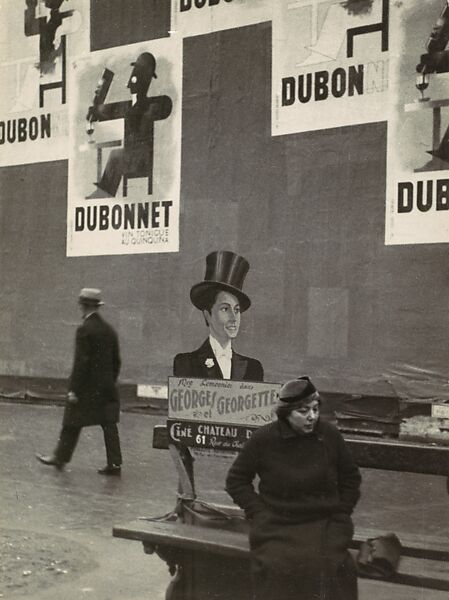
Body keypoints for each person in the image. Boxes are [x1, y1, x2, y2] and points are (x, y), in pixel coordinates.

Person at [226, 376, 362, 600]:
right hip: (277, 524)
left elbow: (351, 479)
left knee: (330, 566)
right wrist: (259, 513)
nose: (312, 417)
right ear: (286, 413)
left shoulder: (329, 435)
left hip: (325, 522)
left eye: (316, 409)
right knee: (277, 567)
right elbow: (236, 481)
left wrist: (341, 513)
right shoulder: (264, 439)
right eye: (303, 411)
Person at [37, 288, 122, 475]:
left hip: (86, 389)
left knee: (71, 420)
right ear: (97, 306)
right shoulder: (109, 330)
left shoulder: (85, 329)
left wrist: (74, 390)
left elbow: (81, 362)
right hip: (107, 387)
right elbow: (116, 361)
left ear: (82, 306)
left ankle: (60, 457)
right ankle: (115, 464)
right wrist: (109, 381)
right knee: (109, 424)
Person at [173, 250, 263, 382]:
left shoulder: (253, 368)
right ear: (207, 315)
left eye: (237, 310)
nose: (234, 318)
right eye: (225, 309)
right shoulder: (186, 364)